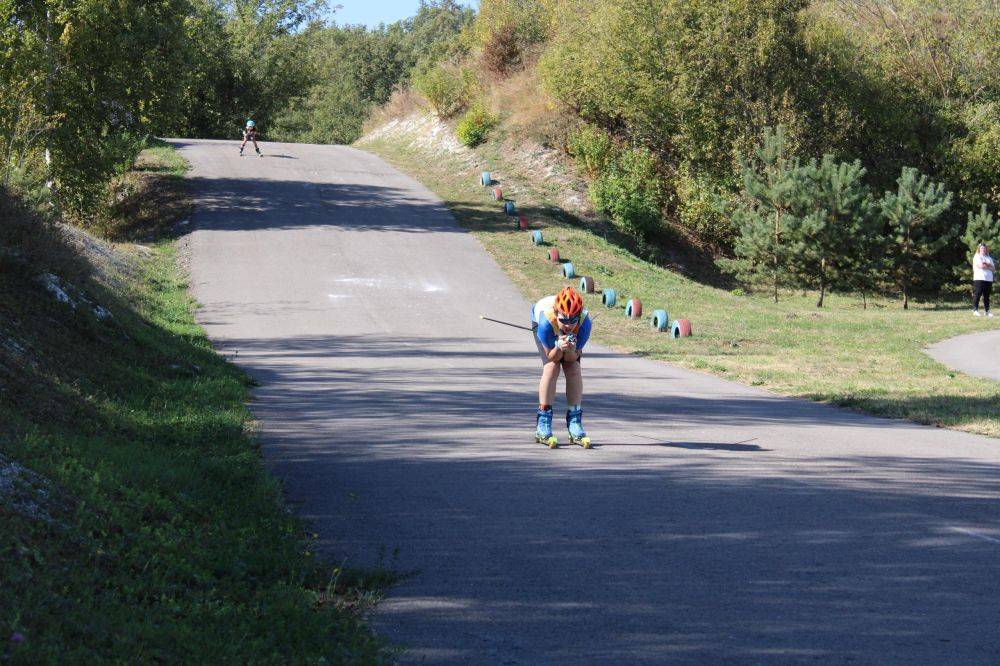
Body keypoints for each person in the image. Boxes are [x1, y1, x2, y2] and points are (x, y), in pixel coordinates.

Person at [531, 286, 593, 446]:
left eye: (572, 320)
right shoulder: (546, 321)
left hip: (570, 342)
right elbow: (552, 356)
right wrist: (558, 346)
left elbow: (572, 359)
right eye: (563, 320)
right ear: (556, 314)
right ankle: (543, 422)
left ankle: (575, 421)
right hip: (543, 323)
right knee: (552, 367)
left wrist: (571, 348)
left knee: (573, 368)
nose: (567, 325)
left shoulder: (584, 324)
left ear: (578, 317)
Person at [972, 243, 994, 317]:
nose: (983, 250)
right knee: (977, 294)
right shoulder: (977, 257)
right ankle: (975, 310)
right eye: (981, 248)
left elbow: (993, 268)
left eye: (984, 248)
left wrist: (986, 265)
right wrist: (989, 266)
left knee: (986, 296)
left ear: (986, 249)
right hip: (979, 278)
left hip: (988, 279)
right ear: (979, 249)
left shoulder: (989, 258)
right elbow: (981, 266)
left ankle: (987, 311)